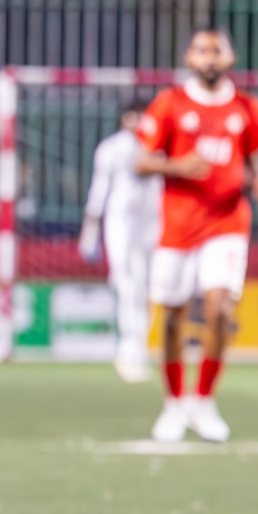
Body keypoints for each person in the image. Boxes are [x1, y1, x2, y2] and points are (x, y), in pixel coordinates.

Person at [137, 29, 258, 442]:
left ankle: (204, 401)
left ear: (230, 56)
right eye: (201, 50)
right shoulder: (169, 103)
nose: (209, 57)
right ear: (189, 57)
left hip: (228, 222)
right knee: (175, 319)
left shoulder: (247, 107)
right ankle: (174, 404)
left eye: (217, 50)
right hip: (178, 226)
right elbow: (142, 162)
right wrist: (178, 167)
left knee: (219, 309)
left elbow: (254, 162)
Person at [78, 100, 162, 383]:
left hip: (151, 221)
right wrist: (89, 231)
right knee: (125, 284)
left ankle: (140, 347)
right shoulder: (112, 147)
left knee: (145, 286)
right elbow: (99, 189)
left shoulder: (160, 146)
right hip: (120, 220)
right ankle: (128, 347)